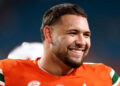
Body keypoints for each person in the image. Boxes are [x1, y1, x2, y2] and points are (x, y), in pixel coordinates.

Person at [0, 3, 119, 86]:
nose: (82, 42)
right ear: (49, 34)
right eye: (72, 33)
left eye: (86, 35)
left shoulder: (105, 77)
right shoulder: (7, 72)